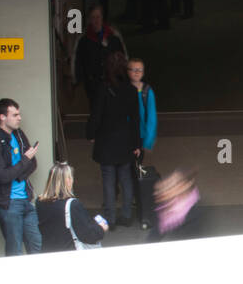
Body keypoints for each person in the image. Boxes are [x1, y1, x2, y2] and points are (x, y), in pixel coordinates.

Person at [86, 48, 141, 228]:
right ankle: (126, 215)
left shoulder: (103, 89)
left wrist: (91, 134)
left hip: (106, 141)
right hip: (125, 140)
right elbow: (135, 120)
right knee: (126, 178)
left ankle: (110, 218)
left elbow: (96, 115)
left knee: (109, 180)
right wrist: (136, 143)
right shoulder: (131, 90)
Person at [0, 100, 41, 255]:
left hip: (26, 200)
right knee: (15, 251)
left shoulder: (19, 133)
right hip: (8, 204)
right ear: (2, 117)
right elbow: (2, 176)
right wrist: (24, 161)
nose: (20, 118)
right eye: (15, 115)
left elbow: (33, 163)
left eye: (19, 114)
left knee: (37, 246)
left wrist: (16, 174)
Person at [36, 162, 108, 252]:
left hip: (47, 252)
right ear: (68, 180)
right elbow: (88, 235)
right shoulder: (72, 204)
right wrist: (100, 228)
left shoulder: (40, 201)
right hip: (68, 252)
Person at [128, 57, 158, 230]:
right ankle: (131, 197)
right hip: (125, 137)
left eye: (139, 70)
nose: (136, 73)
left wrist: (146, 141)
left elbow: (151, 117)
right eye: (133, 69)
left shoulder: (147, 91)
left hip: (139, 138)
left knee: (135, 169)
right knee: (128, 170)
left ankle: (135, 198)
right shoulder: (124, 89)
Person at [74, 5, 126, 95]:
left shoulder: (113, 37)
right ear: (89, 20)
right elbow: (78, 64)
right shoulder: (83, 41)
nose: (96, 20)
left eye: (98, 17)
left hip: (113, 86)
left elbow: (123, 60)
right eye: (93, 17)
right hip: (93, 87)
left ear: (102, 18)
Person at [149, 169, 203, 241]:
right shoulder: (168, 205)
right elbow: (155, 232)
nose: (164, 188)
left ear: (185, 186)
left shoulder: (192, 217)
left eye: (173, 185)